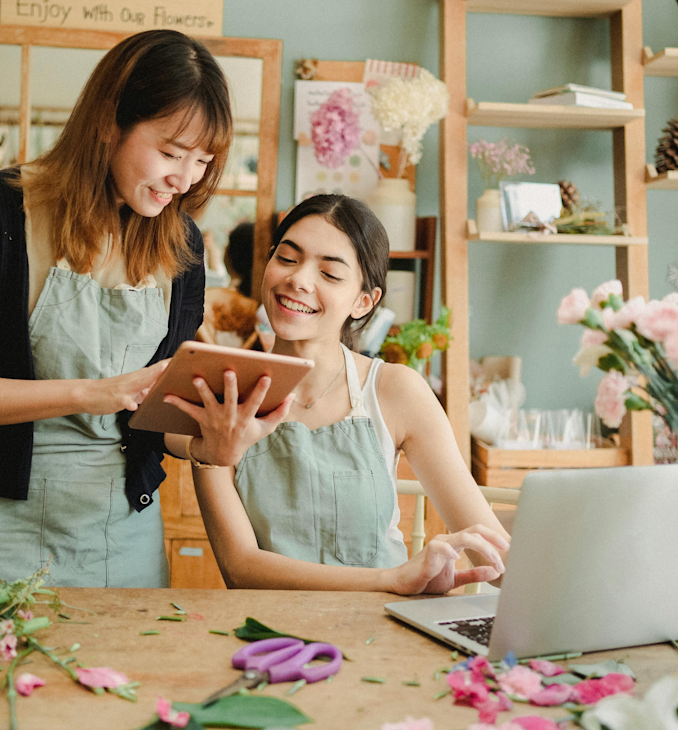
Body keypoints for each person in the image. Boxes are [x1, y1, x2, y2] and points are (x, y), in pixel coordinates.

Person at [0, 29, 233, 587]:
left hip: (118, 533)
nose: (185, 178)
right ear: (108, 123)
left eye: (201, 160)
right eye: (171, 152)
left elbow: (157, 416)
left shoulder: (182, 244)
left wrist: (207, 436)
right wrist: (91, 393)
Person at [164, 195, 510, 595]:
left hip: (383, 633)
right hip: (268, 640)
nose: (299, 280)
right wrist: (393, 579)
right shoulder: (221, 391)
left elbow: (493, 554)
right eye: (288, 259)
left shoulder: (394, 390)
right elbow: (240, 567)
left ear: (364, 301)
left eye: (330, 274)